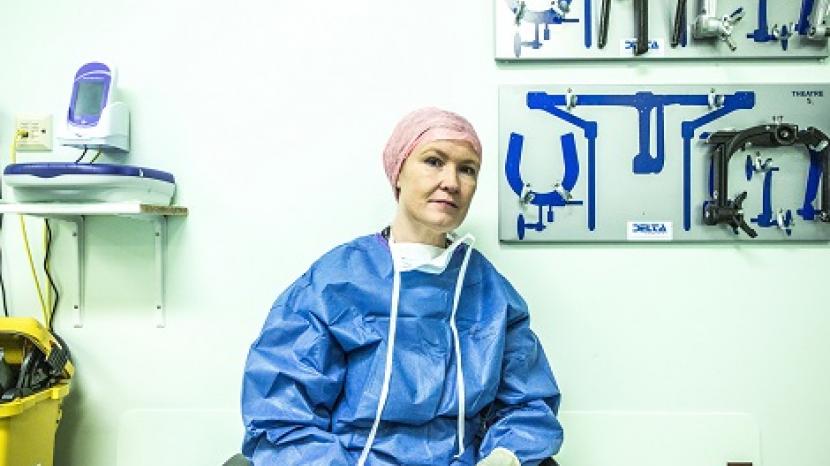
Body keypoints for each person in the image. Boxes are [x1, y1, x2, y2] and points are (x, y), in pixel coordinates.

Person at [241, 107, 563, 465]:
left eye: (467, 169)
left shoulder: (490, 293)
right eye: (434, 161)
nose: (452, 182)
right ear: (398, 172)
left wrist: (504, 456)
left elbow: (529, 405)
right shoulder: (334, 283)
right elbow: (282, 411)